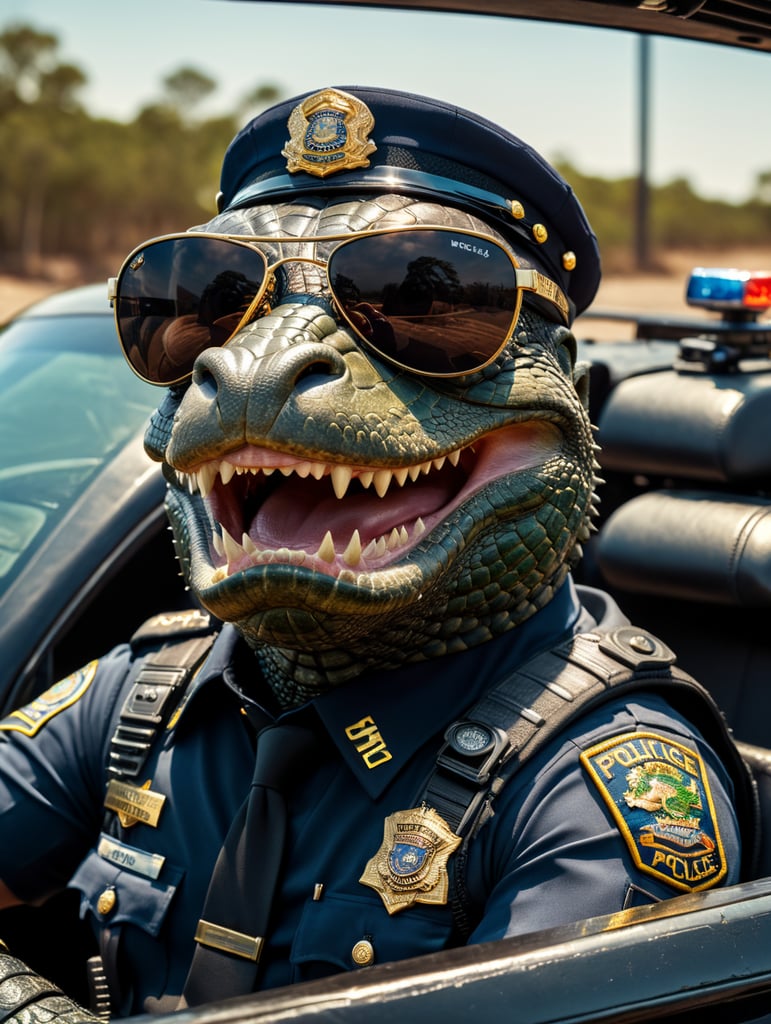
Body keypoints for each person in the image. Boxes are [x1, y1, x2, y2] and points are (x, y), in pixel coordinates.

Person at [0, 85, 754, 1019]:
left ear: (573, 385)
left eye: (423, 294)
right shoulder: (147, 695)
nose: (250, 360)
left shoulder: (605, 786)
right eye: (209, 299)